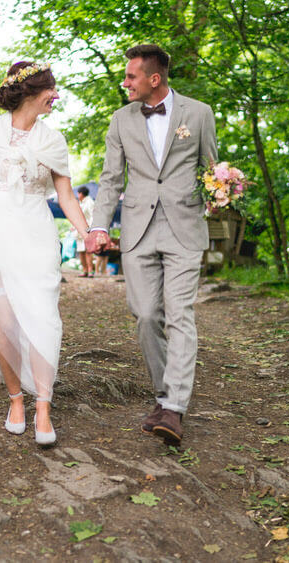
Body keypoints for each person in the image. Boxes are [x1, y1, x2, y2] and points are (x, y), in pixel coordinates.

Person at [0, 61, 89, 447]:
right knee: (5, 320)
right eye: (51, 89)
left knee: (43, 318)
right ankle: (15, 401)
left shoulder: (53, 140)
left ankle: (44, 404)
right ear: (31, 91)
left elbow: (64, 194)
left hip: (37, 233)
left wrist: (86, 232)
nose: (55, 96)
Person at [87, 44, 217, 445]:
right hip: (139, 227)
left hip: (183, 227)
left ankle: (173, 407)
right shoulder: (120, 120)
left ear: (154, 79)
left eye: (131, 77)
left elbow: (210, 170)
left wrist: (221, 191)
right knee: (145, 315)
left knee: (180, 315)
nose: (124, 83)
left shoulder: (199, 113)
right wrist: (98, 226)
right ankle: (165, 396)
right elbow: (110, 179)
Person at [75, 186, 95, 277]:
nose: (77, 195)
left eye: (78, 193)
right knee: (81, 251)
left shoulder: (90, 202)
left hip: (87, 229)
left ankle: (90, 270)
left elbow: (92, 216)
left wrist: (89, 230)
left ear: (81, 194)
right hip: (79, 230)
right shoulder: (80, 203)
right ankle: (84, 270)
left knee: (88, 251)